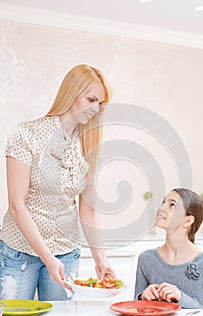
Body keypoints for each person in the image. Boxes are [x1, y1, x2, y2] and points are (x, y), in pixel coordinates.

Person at [0, 64, 116, 301]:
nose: (95, 108)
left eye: (100, 104)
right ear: (72, 92)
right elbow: (16, 205)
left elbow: (89, 210)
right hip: (20, 251)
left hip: (66, 253)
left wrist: (101, 259)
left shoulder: (88, 145)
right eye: (91, 99)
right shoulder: (27, 135)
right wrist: (47, 257)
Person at [134, 188, 203, 315]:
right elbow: (135, 310)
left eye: (172, 205)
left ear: (187, 221)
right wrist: (142, 297)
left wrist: (181, 298)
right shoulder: (146, 259)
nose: (162, 208)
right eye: (163, 202)